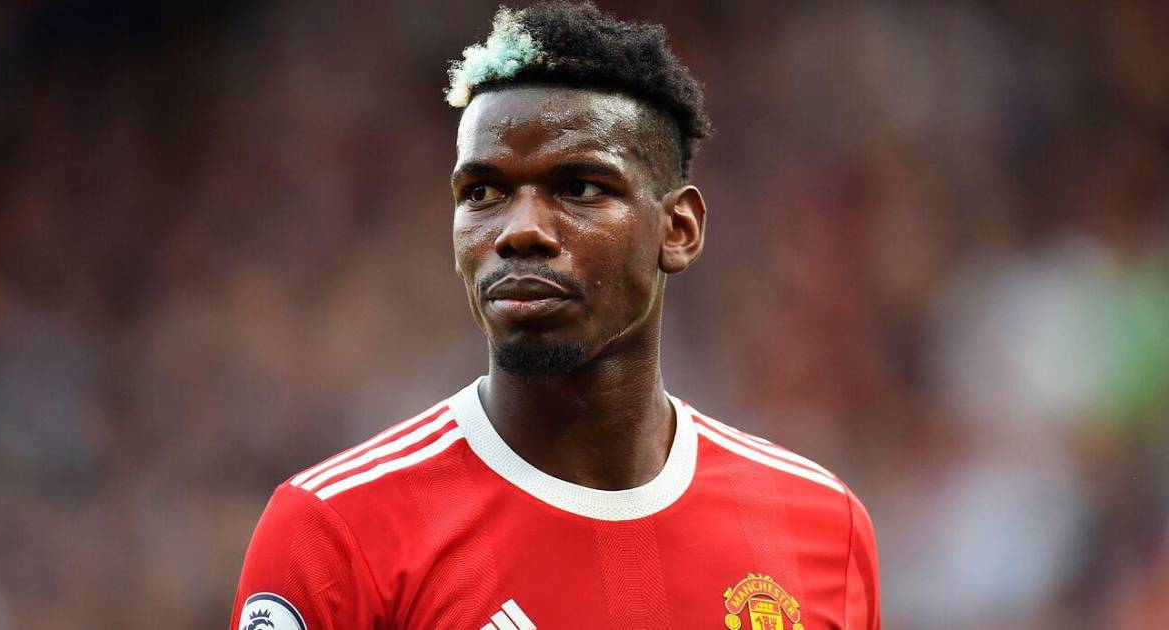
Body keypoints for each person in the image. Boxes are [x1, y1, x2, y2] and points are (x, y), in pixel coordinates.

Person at [229, 3, 880, 629]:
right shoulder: (335, 530)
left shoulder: (822, 527)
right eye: (483, 192)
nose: (519, 231)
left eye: (578, 188)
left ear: (678, 229)